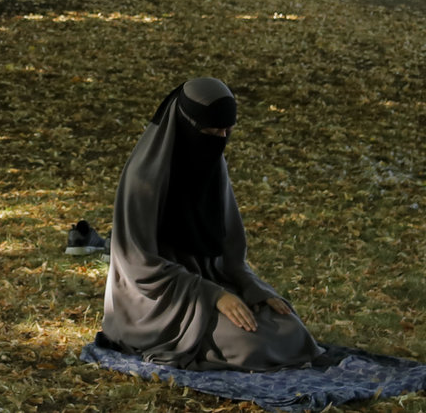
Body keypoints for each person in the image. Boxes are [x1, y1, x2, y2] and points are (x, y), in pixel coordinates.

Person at [98, 75, 323, 369]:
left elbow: (230, 255)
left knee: (292, 329)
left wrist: (253, 287)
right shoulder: (143, 179)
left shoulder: (212, 166)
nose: (220, 140)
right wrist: (213, 295)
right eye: (212, 131)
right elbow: (137, 265)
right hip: (157, 301)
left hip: (210, 285)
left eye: (227, 131)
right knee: (251, 343)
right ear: (186, 126)